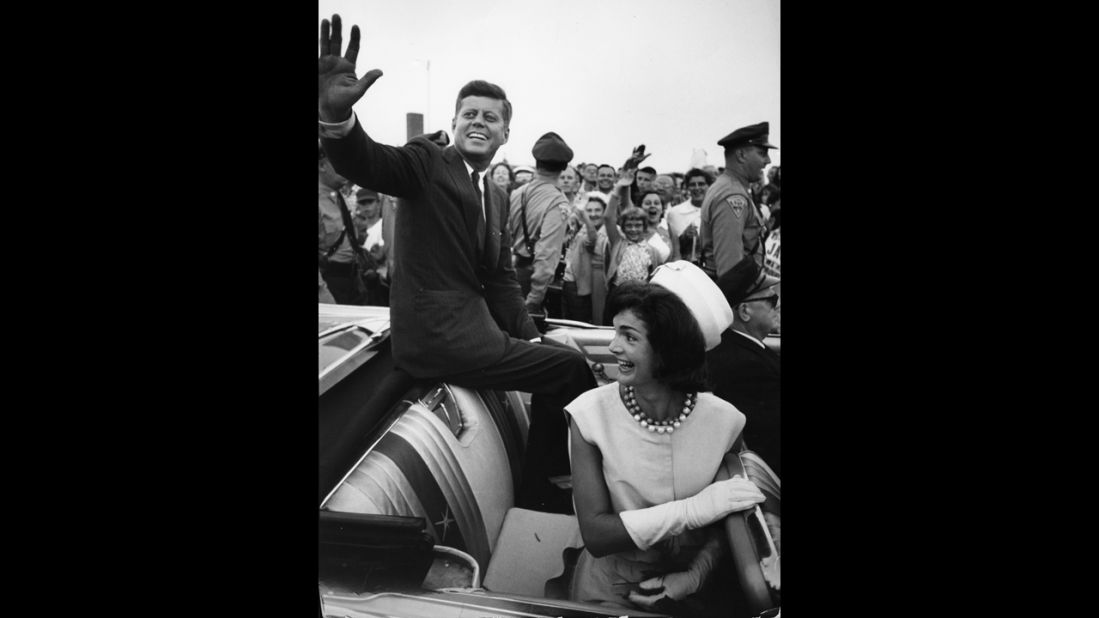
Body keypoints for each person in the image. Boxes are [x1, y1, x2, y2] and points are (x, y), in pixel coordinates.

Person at [317, 14, 595, 511]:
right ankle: (545, 492)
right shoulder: (427, 161)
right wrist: (337, 122)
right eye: (469, 114)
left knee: (561, 359)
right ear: (453, 123)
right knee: (572, 372)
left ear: (506, 133)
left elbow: (501, 278)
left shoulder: (498, 193)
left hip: (476, 334)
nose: (478, 123)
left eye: (490, 118)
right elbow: (370, 162)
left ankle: (542, 484)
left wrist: (530, 335)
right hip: (440, 340)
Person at [566, 280, 766, 613]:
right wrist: (692, 511)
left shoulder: (724, 419)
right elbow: (597, 535)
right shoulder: (588, 414)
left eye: (629, 337)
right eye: (615, 333)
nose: (614, 347)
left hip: (695, 585)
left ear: (667, 349)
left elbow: (732, 515)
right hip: (610, 586)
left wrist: (696, 574)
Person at [708, 258, 781, 476]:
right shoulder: (747, 366)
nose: (777, 305)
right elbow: (769, 444)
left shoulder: (738, 349)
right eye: (771, 299)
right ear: (744, 311)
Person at [699, 122, 777, 277]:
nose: (768, 161)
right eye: (762, 153)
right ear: (741, 155)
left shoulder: (728, 186)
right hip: (738, 294)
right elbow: (730, 270)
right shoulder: (732, 196)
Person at [507, 132, 573, 316]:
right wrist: (535, 299)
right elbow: (547, 254)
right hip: (535, 281)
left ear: (537, 162)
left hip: (512, 272)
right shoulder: (558, 202)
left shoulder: (518, 193)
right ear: (564, 167)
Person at [602, 169, 662, 324]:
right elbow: (608, 217)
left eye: (637, 225)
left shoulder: (652, 252)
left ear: (644, 227)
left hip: (641, 297)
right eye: (629, 225)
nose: (633, 229)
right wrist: (618, 189)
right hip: (617, 293)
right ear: (623, 226)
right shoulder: (618, 243)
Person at [317, 143, 363, 305]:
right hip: (330, 284)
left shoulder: (339, 197)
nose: (345, 168)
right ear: (322, 165)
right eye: (338, 162)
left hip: (353, 280)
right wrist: (323, 295)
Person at [561, 194, 609, 324]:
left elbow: (592, 239)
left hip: (582, 287)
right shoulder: (581, 228)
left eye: (597, 210)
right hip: (570, 282)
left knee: (579, 325)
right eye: (589, 210)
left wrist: (584, 215)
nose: (593, 214)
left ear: (605, 212)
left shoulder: (605, 232)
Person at [666, 168, 714, 264]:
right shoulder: (675, 213)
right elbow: (670, 247)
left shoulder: (717, 210)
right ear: (687, 188)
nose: (697, 188)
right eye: (692, 185)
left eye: (701, 184)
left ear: (709, 186)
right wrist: (684, 238)